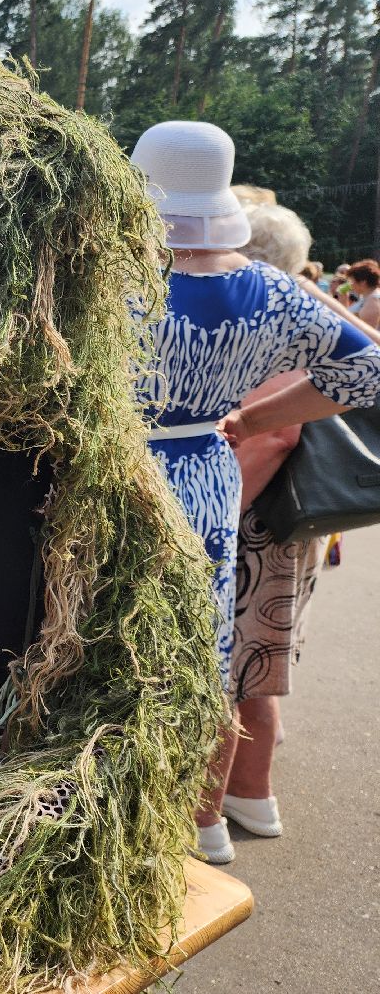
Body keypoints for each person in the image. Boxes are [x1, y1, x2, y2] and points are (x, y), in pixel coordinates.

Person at [130, 121, 380, 865]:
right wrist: (250, 414)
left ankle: (126, 822)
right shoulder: (272, 289)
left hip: (119, 476)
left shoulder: (109, 284)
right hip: (208, 474)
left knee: (108, 650)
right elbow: (366, 374)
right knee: (197, 659)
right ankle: (195, 824)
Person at [347, 258, 380, 327]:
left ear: (363, 282)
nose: (351, 285)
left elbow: (368, 334)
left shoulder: (373, 301)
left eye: (352, 281)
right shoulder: (367, 297)